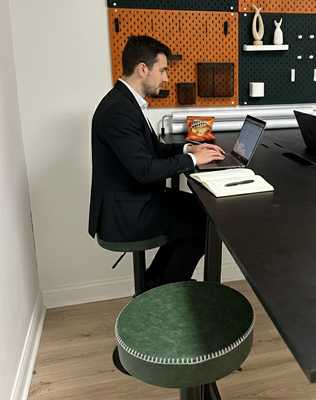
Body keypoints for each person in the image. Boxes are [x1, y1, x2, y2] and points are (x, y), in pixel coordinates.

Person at [88, 35, 225, 286]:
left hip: (135, 197)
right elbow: (146, 170)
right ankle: (168, 287)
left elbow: (150, 151)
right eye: (162, 70)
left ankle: (156, 281)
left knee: (202, 213)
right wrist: (193, 159)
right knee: (207, 224)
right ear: (142, 69)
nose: (166, 78)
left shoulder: (125, 102)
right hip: (128, 212)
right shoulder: (119, 110)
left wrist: (188, 148)